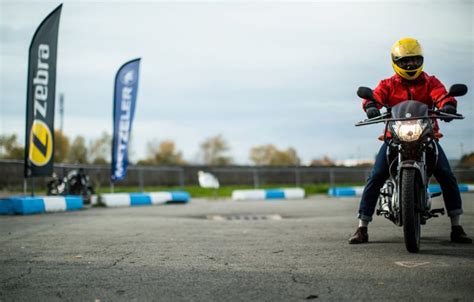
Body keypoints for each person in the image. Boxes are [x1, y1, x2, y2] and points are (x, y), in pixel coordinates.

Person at [349, 37, 472, 244]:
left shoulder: (430, 82)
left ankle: (456, 226)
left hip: (426, 136)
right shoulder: (388, 84)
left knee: (446, 175)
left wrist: (448, 105)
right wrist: (371, 105)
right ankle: (362, 227)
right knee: (376, 175)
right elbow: (374, 96)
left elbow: (441, 95)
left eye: (414, 60)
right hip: (394, 138)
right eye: (405, 61)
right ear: (395, 61)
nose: (410, 65)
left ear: (421, 60)